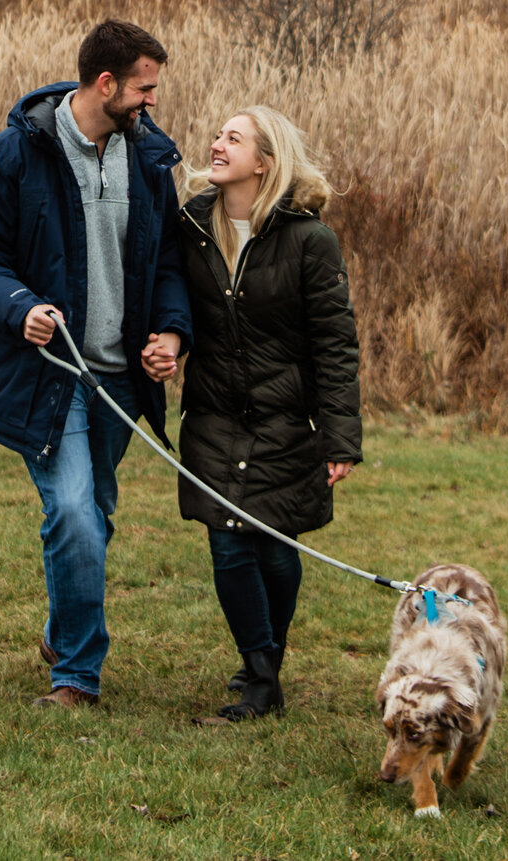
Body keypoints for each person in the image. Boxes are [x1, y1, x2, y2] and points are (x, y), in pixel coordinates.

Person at [0, 19, 191, 708]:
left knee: (94, 513)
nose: (151, 101)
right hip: (50, 375)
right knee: (77, 513)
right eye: (143, 88)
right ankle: (78, 674)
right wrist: (17, 303)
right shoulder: (14, 155)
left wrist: (170, 332)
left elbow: (167, 261)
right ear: (105, 82)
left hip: (120, 377)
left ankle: (62, 630)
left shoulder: (147, 160)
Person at [173, 104, 362, 721]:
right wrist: (165, 338)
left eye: (235, 138)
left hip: (284, 420)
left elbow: (335, 344)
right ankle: (260, 678)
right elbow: (166, 298)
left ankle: (267, 661)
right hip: (213, 416)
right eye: (218, 135)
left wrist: (340, 439)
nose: (217, 144)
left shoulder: (310, 240)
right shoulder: (191, 227)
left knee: (277, 549)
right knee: (228, 543)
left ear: (265, 162)